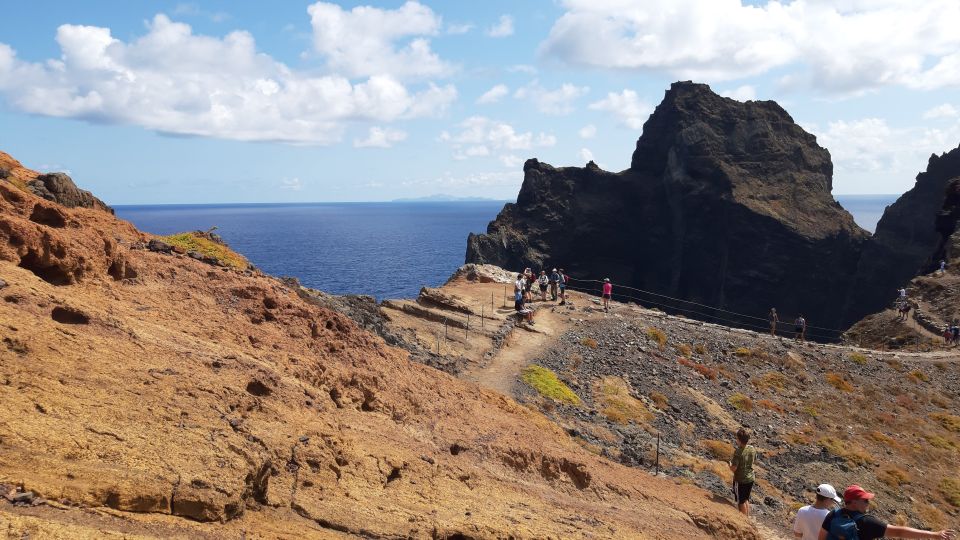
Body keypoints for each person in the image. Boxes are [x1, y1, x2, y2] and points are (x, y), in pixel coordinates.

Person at [819, 485, 956, 540]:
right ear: (853, 502)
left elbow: (821, 538)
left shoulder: (833, 515)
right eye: (865, 500)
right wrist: (934, 535)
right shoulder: (867, 522)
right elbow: (899, 532)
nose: (868, 502)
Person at [729, 428, 756, 516]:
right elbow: (754, 460)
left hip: (740, 480)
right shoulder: (752, 448)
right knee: (745, 499)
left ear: (739, 440)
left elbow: (734, 468)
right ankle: (747, 518)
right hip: (750, 478)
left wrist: (729, 464)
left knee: (740, 502)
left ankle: (744, 520)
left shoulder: (738, 452)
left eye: (737, 438)